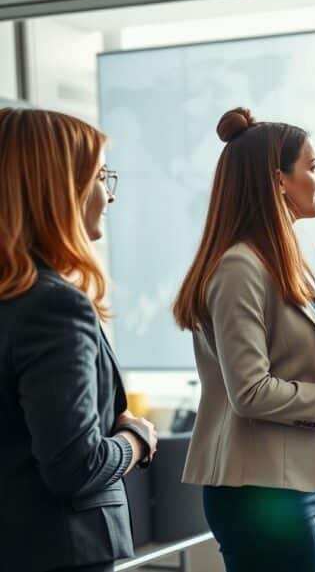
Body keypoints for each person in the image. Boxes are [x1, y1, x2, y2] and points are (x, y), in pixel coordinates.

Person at [172, 107, 315, 572]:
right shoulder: (240, 267)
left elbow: (291, 368)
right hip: (261, 491)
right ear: (278, 180)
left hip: (300, 482)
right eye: (312, 166)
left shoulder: (278, 262)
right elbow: (250, 391)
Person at [0, 108, 158, 572]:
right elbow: (76, 467)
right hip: (59, 552)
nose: (108, 196)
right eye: (100, 177)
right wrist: (137, 438)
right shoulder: (52, 307)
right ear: (58, 189)